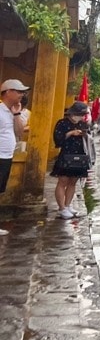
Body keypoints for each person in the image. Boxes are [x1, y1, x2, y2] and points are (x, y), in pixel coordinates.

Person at [51, 102, 92, 219]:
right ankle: (61, 208)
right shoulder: (62, 123)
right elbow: (58, 140)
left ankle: (68, 205)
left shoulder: (81, 124)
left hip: (80, 155)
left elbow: (88, 138)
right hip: (66, 155)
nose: (80, 116)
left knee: (73, 182)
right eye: (79, 114)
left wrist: (84, 134)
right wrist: (71, 133)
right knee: (62, 181)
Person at [0, 79, 28, 235]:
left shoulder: (13, 111)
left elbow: (19, 132)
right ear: (7, 92)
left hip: (6, 156)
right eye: (18, 91)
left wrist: (16, 113)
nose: (21, 95)